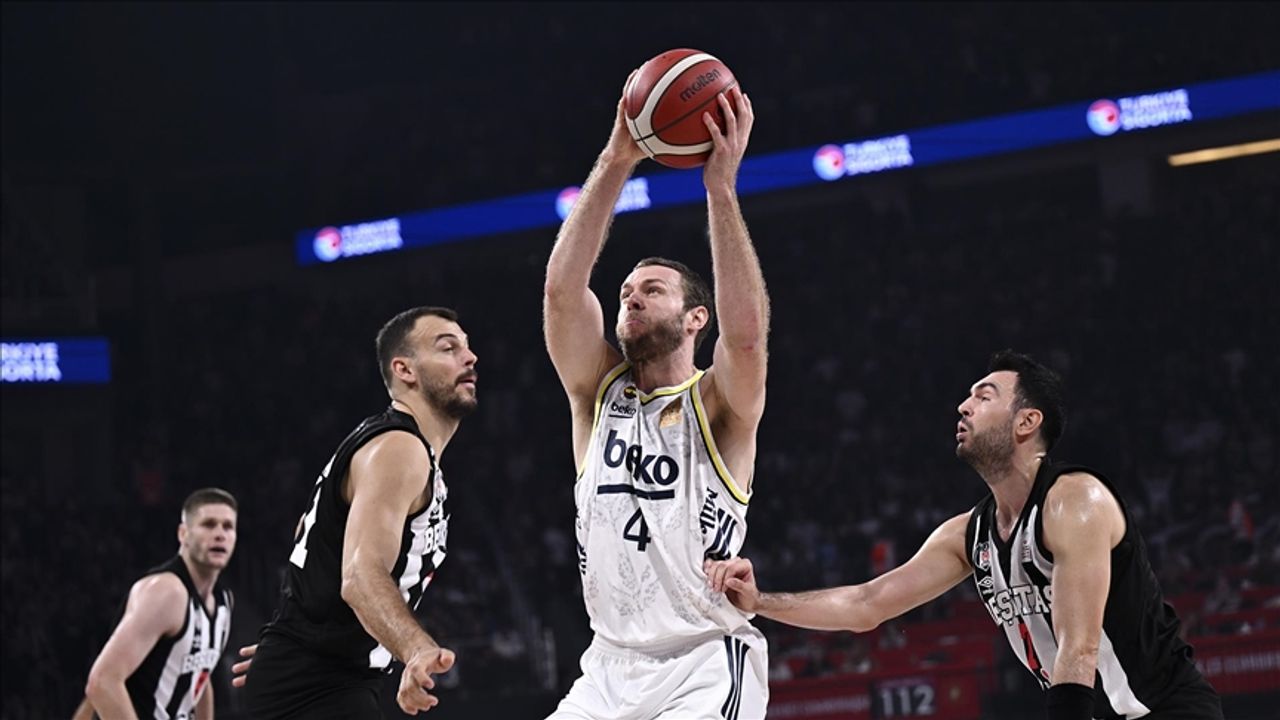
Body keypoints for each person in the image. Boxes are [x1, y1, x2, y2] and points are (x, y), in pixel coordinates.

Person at [707, 351, 1224, 720]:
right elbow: (867, 605)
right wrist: (760, 601)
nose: (963, 406)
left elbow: (1079, 648)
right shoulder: (968, 534)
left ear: (1027, 421)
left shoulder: (1074, 500)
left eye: (983, 396)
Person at [542, 77, 771, 719]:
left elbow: (746, 338)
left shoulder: (720, 404)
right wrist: (619, 157)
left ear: (697, 319)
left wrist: (721, 190)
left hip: (701, 658)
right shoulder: (595, 392)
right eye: (626, 292)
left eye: (653, 290)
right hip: (607, 665)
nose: (632, 297)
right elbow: (562, 292)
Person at [239, 306, 477, 719]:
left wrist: (295, 637)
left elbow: (313, 535)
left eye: (467, 347)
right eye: (448, 348)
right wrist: (416, 649)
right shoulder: (400, 448)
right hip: (316, 687)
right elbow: (359, 575)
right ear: (404, 370)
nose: (470, 357)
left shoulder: (393, 447)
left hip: (320, 679)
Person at [75, 488, 238, 720]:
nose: (220, 534)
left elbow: (200, 678)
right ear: (183, 534)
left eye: (228, 526)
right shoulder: (166, 591)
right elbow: (103, 681)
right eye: (208, 525)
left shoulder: (223, 601)